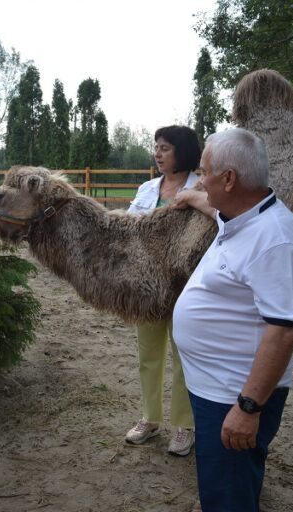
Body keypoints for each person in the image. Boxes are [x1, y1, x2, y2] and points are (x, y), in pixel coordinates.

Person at [171, 128, 293, 511]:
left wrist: (248, 408)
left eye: (204, 173)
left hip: (234, 397)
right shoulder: (243, 216)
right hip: (214, 388)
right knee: (222, 487)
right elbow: (214, 208)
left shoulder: (276, 240)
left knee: (228, 497)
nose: (200, 180)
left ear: (230, 178)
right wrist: (191, 197)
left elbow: (284, 332)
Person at [124, 125, 200, 456]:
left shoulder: (202, 189)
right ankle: (149, 418)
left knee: (185, 355)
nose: (157, 153)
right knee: (148, 354)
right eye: (156, 147)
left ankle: (185, 426)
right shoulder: (146, 189)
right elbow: (129, 229)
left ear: (182, 152)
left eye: (165, 148)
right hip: (149, 287)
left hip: (187, 285)